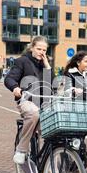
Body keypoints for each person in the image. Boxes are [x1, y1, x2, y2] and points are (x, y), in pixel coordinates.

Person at [5, 36, 54, 165]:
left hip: (43, 102)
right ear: (32, 47)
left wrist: (48, 67)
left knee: (55, 124)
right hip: (27, 100)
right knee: (33, 113)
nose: (41, 52)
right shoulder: (22, 61)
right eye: (39, 49)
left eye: (44, 50)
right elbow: (9, 78)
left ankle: (52, 165)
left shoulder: (45, 64)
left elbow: (51, 84)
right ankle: (21, 150)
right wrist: (15, 88)